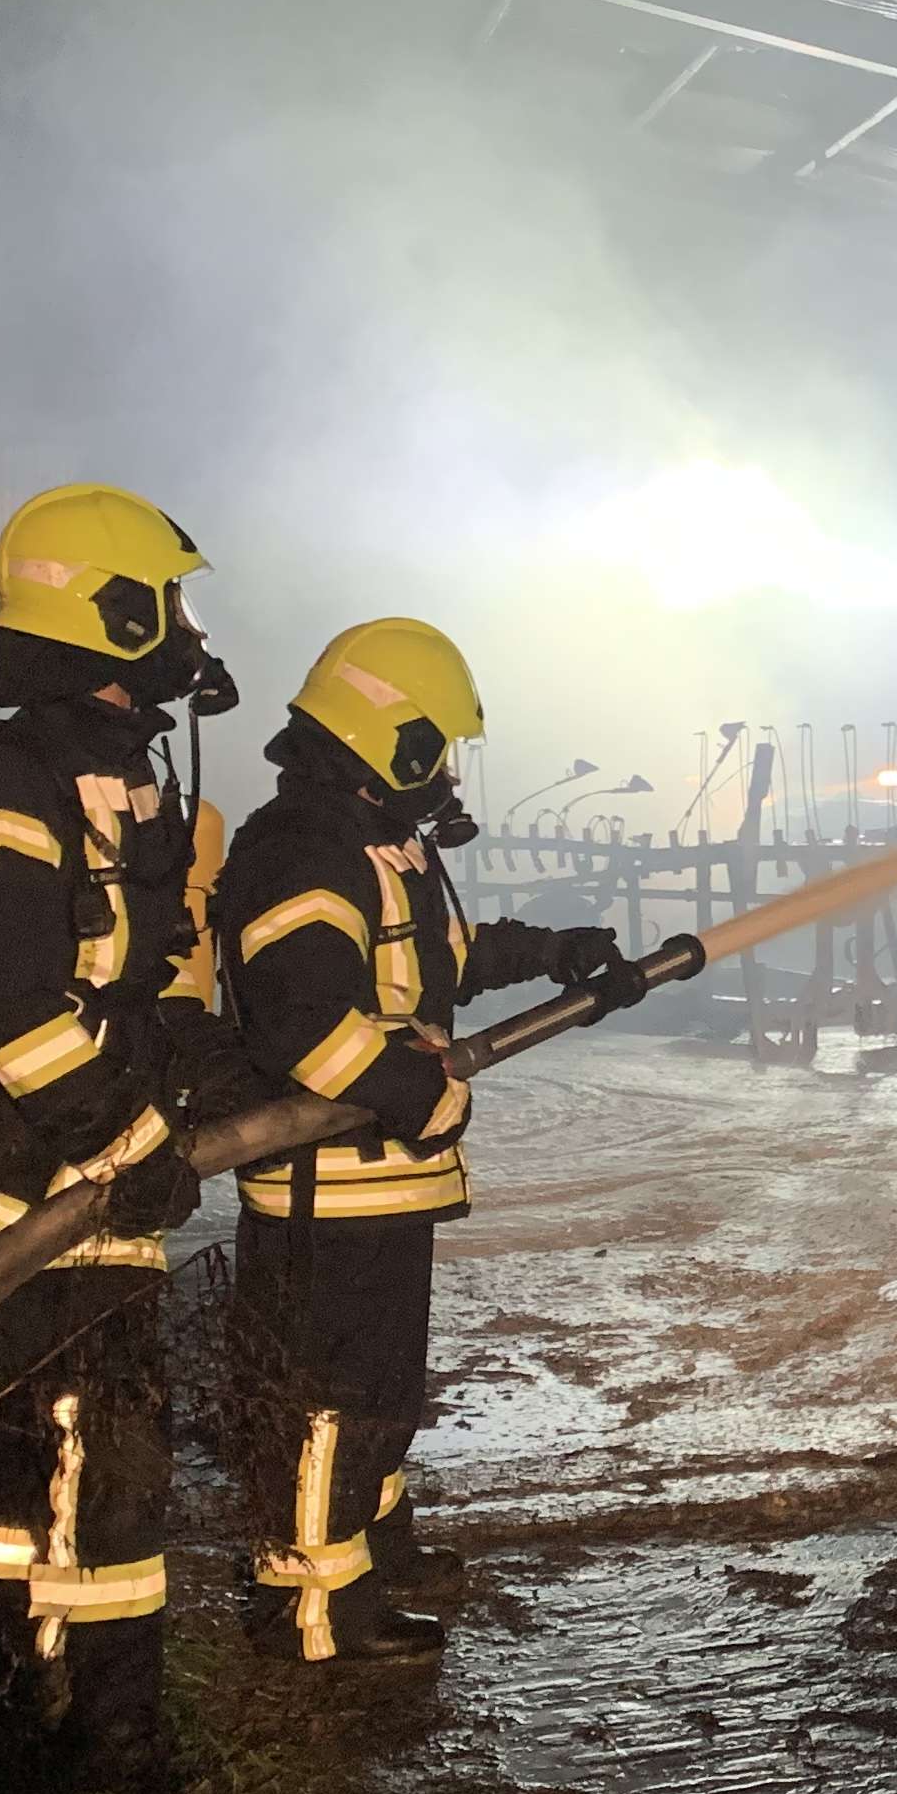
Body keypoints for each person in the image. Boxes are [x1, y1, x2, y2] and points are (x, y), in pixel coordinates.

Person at [215, 618, 641, 1664]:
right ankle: (313, 1610)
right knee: (330, 1401)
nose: (448, 773)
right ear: (393, 742)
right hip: (329, 1191)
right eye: (438, 749)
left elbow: (441, 962)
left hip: (382, 1187)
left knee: (380, 1393)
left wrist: (558, 951)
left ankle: (374, 1550)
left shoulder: (373, 848)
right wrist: (427, 1094)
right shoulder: (298, 853)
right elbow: (306, 1025)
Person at [0, 481, 242, 1774]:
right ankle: (84, 1737)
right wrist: (124, 1140)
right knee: (78, 1472)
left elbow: (138, 979)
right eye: (167, 605)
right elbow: (8, 1008)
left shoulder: (115, 780)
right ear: (105, 613)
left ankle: (28, 1709)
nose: (186, 632)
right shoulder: (8, 786)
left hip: (97, 1187)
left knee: (78, 1470)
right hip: (40, 1194)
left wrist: (213, 1072)